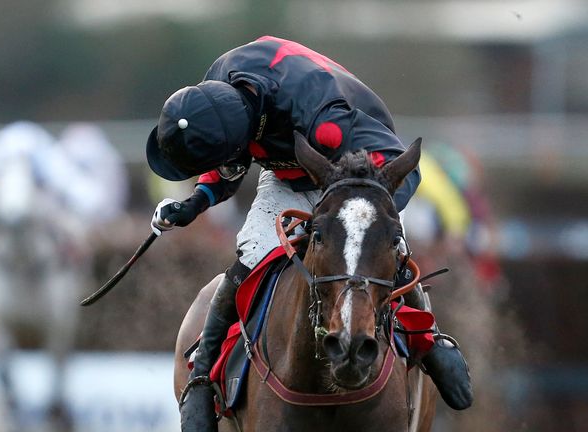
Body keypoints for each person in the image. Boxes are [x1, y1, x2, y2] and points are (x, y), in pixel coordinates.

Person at [146, 36, 473, 430]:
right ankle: (200, 381)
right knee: (249, 256)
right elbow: (229, 163)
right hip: (290, 173)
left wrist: (354, 216)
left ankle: (430, 342)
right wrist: (193, 203)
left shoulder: (325, 119)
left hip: (357, 170)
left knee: (383, 251)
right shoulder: (217, 88)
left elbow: (401, 168)